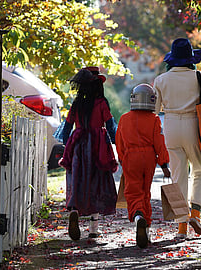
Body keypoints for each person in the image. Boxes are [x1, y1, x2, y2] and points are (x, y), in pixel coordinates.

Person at [153, 38, 201, 239]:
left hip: (170, 126)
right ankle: (195, 214)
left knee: (179, 176)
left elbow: (155, 111)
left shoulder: (161, 80)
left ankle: (181, 229)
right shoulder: (198, 77)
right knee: (199, 171)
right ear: (190, 58)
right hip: (193, 125)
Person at [57, 66, 118, 240]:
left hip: (78, 144)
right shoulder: (101, 103)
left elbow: (66, 127)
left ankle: (74, 211)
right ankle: (93, 228)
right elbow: (110, 124)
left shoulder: (76, 104)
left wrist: (67, 145)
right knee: (96, 183)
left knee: (77, 179)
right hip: (97, 147)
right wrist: (115, 141)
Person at [115, 83, 171, 248]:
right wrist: (164, 164)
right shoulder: (154, 120)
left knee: (133, 191)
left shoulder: (124, 119)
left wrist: (121, 158)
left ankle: (138, 217)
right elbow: (159, 142)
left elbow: (119, 141)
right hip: (148, 158)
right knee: (145, 192)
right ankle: (146, 230)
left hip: (131, 157)